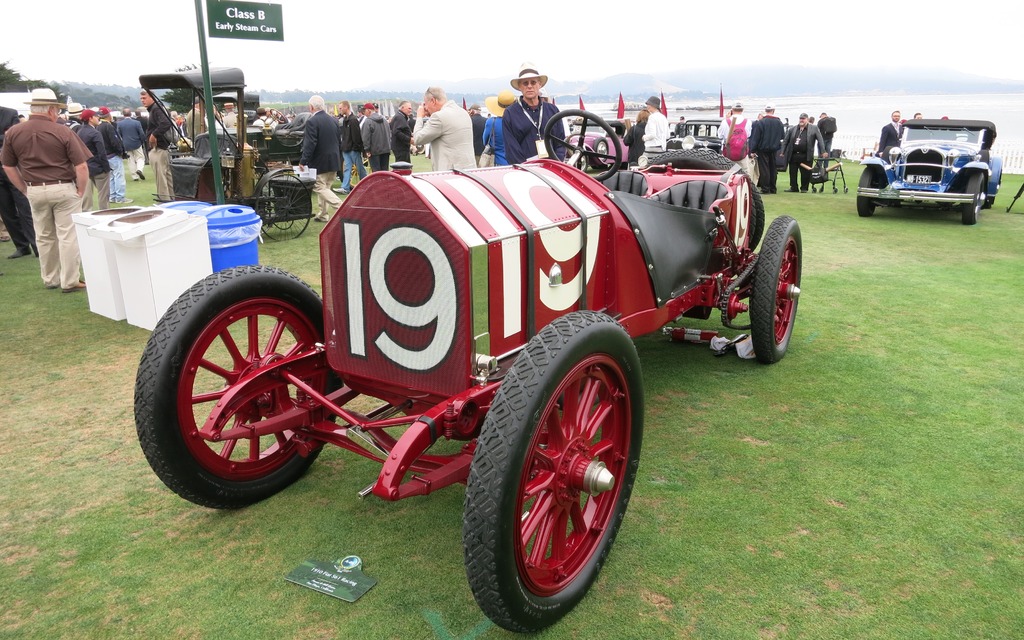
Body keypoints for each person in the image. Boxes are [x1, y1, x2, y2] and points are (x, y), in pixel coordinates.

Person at [1, 88, 90, 292]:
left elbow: (8, 166)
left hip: (34, 189)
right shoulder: (62, 130)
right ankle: (69, 280)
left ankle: (50, 278)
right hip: (63, 187)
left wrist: (24, 189)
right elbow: (82, 166)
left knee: (44, 235)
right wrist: (81, 190)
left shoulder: (13, 132)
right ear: (51, 110)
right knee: (68, 235)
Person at [503, 63, 565, 165]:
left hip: (553, 168)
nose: (529, 86)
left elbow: (561, 141)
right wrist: (527, 168)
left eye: (533, 82)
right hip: (526, 171)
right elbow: (511, 148)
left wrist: (556, 163)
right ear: (520, 87)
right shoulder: (510, 113)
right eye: (525, 83)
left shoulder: (552, 110)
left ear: (539, 84)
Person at [0, 104, 38, 259]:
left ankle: (37, 245)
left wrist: (7, 136)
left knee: (24, 207)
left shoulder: (9, 113)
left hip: (12, 167)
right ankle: (21, 246)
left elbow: (15, 136)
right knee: (6, 210)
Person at [411, 86, 476, 171]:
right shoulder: (463, 113)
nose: (425, 108)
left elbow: (417, 138)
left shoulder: (439, 117)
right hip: (469, 169)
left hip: (450, 173)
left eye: (426, 104)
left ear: (433, 101)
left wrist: (419, 116)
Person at [299, 95, 342, 222]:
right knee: (326, 188)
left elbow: (310, 144)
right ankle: (323, 214)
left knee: (319, 187)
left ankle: (340, 207)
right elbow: (338, 142)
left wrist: (303, 160)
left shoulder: (312, 122)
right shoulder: (333, 120)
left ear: (311, 107)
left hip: (320, 160)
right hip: (334, 159)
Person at [140, 89, 174, 201]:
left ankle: (165, 203)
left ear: (152, 97)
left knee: (161, 179)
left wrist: (153, 135)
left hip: (158, 148)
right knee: (167, 178)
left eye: (144, 98)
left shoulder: (156, 108)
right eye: (141, 98)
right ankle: (171, 201)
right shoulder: (156, 108)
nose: (142, 100)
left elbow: (166, 123)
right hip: (161, 148)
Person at [76, 109, 111, 211]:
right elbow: (102, 152)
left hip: (85, 167)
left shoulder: (79, 132)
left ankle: (86, 215)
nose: (98, 118)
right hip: (98, 168)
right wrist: (106, 168)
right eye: (96, 116)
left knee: (86, 197)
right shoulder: (95, 133)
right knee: (103, 196)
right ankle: (105, 214)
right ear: (90, 119)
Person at [782, 113, 826, 193]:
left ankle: (804, 188)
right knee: (793, 172)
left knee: (805, 173)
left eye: (803, 119)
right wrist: (782, 152)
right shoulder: (793, 129)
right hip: (794, 154)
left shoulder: (814, 128)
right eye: (800, 118)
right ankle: (793, 187)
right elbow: (785, 141)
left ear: (807, 119)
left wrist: (823, 151)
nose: (801, 120)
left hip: (806, 155)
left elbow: (820, 140)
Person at [97, 107, 131, 204]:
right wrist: (121, 152)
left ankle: (112, 196)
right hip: (113, 154)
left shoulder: (98, 126)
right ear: (109, 115)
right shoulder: (108, 126)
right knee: (119, 176)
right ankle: (120, 197)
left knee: (111, 177)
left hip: (105, 155)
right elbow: (115, 141)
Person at [750, 103, 785, 194]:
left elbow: (756, 137)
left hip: (763, 148)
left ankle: (765, 188)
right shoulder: (779, 122)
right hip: (774, 148)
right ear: (773, 111)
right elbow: (782, 136)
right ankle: (773, 188)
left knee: (764, 168)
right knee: (773, 168)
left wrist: (752, 150)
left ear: (765, 111)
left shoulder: (761, 122)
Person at [337, 101, 365, 194]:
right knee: (347, 169)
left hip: (353, 149)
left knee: (360, 168)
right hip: (346, 148)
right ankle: (345, 187)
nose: (339, 110)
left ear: (346, 107)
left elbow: (356, 136)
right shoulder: (346, 119)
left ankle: (366, 185)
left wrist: (356, 148)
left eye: (340, 108)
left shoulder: (353, 120)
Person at [719, 102, 753, 175]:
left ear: (732, 110)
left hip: (728, 153)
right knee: (744, 173)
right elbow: (748, 135)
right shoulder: (748, 122)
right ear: (742, 110)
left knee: (727, 173)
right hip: (742, 153)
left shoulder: (725, 122)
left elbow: (720, 136)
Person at [483, 91, 515, 166]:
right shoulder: (519, 122)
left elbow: (485, 142)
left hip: (497, 161)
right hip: (517, 162)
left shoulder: (491, 122)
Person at [359, 103, 391, 172]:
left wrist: (367, 150)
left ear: (368, 111)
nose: (364, 113)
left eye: (364, 111)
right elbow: (389, 134)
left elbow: (365, 137)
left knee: (376, 172)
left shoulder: (368, 121)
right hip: (386, 150)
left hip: (374, 151)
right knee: (385, 172)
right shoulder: (385, 120)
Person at [118, 107, 146, 181]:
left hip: (126, 144)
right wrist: (142, 141)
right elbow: (141, 134)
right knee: (140, 158)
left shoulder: (120, 124)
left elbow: (119, 135)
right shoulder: (136, 123)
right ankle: (139, 169)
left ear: (123, 114)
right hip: (137, 143)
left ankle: (135, 176)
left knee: (130, 160)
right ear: (131, 114)